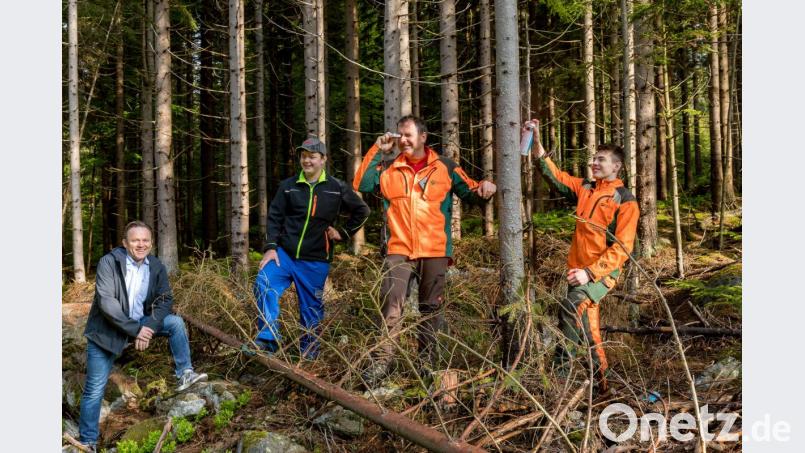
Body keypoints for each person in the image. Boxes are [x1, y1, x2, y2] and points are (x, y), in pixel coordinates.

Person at [353, 115, 497, 382]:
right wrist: (376, 150)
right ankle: (380, 364)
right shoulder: (389, 168)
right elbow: (361, 184)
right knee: (390, 305)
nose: (403, 140)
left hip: (435, 250)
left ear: (423, 137)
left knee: (430, 309)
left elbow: (470, 191)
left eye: (408, 135)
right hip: (399, 249)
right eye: (400, 135)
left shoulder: (444, 167)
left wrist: (486, 187)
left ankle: (426, 364)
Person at [528, 119, 639, 394]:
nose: (594, 163)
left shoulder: (625, 199)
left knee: (570, 308)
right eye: (593, 159)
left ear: (616, 166)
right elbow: (556, 175)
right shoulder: (586, 189)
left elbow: (623, 248)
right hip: (576, 271)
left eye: (601, 160)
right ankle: (604, 385)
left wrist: (590, 273)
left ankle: (558, 380)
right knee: (589, 328)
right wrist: (536, 140)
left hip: (600, 274)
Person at [79, 221, 207, 451]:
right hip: (106, 331)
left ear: (151, 243)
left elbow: (165, 299)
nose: (141, 244)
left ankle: (185, 373)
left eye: (145, 240)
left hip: (140, 325)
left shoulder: (155, 265)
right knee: (94, 389)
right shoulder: (109, 262)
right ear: (125, 243)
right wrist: (137, 330)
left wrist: (148, 326)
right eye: (135, 240)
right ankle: (87, 441)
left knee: (175, 323)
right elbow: (107, 303)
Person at [254, 137, 370, 358]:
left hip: (315, 260)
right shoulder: (288, 187)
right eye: (303, 156)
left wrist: (343, 233)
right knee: (264, 283)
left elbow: (362, 211)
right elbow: (274, 218)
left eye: (312, 157)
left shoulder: (336, 188)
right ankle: (269, 339)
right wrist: (270, 247)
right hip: (285, 256)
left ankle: (309, 358)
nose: (306, 161)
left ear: (323, 159)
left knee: (311, 311)